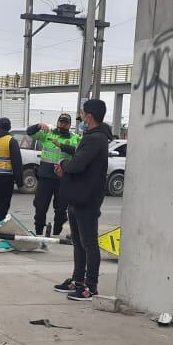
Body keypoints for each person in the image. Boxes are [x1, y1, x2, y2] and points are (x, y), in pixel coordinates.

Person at [54, 98, 113, 301]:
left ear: (90, 115)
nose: (80, 117)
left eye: (82, 113)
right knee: (78, 241)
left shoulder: (96, 138)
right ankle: (78, 280)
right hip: (78, 194)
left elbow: (78, 164)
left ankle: (91, 286)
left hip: (88, 197)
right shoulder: (90, 136)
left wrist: (63, 163)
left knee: (89, 243)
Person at [27, 113, 79, 237]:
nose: (63, 124)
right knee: (40, 206)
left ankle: (57, 231)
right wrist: (39, 125)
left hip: (63, 177)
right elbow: (29, 132)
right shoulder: (47, 134)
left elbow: (77, 151)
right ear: (57, 122)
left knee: (61, 208)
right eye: (61, 122)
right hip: (45, 177)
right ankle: (39, 230)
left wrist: (61, 146)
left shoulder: (74, 138)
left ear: (69, 125)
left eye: (65, 123)